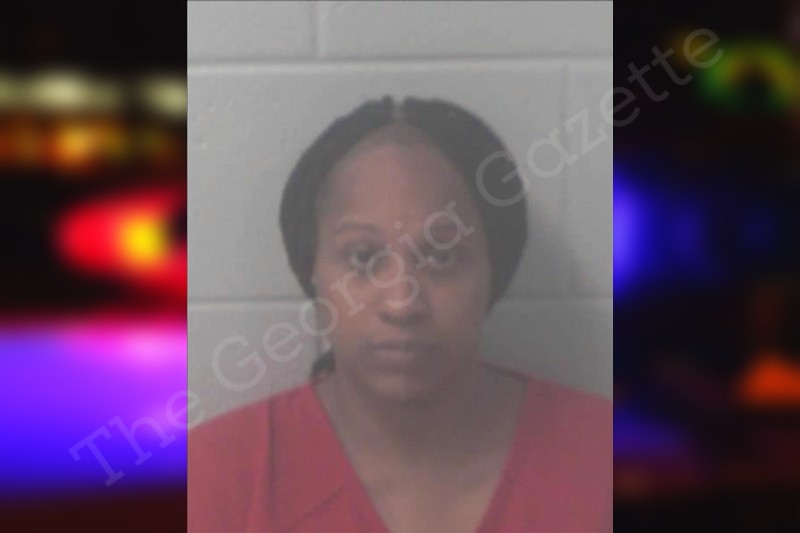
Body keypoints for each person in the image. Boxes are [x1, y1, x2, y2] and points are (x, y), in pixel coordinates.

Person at [188, 96, 612, 532]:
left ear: (494, 271)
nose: (402, 303)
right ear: (311, 269)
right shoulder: (212, 477)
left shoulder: (607, 455)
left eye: (442, 257)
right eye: (363, 257)